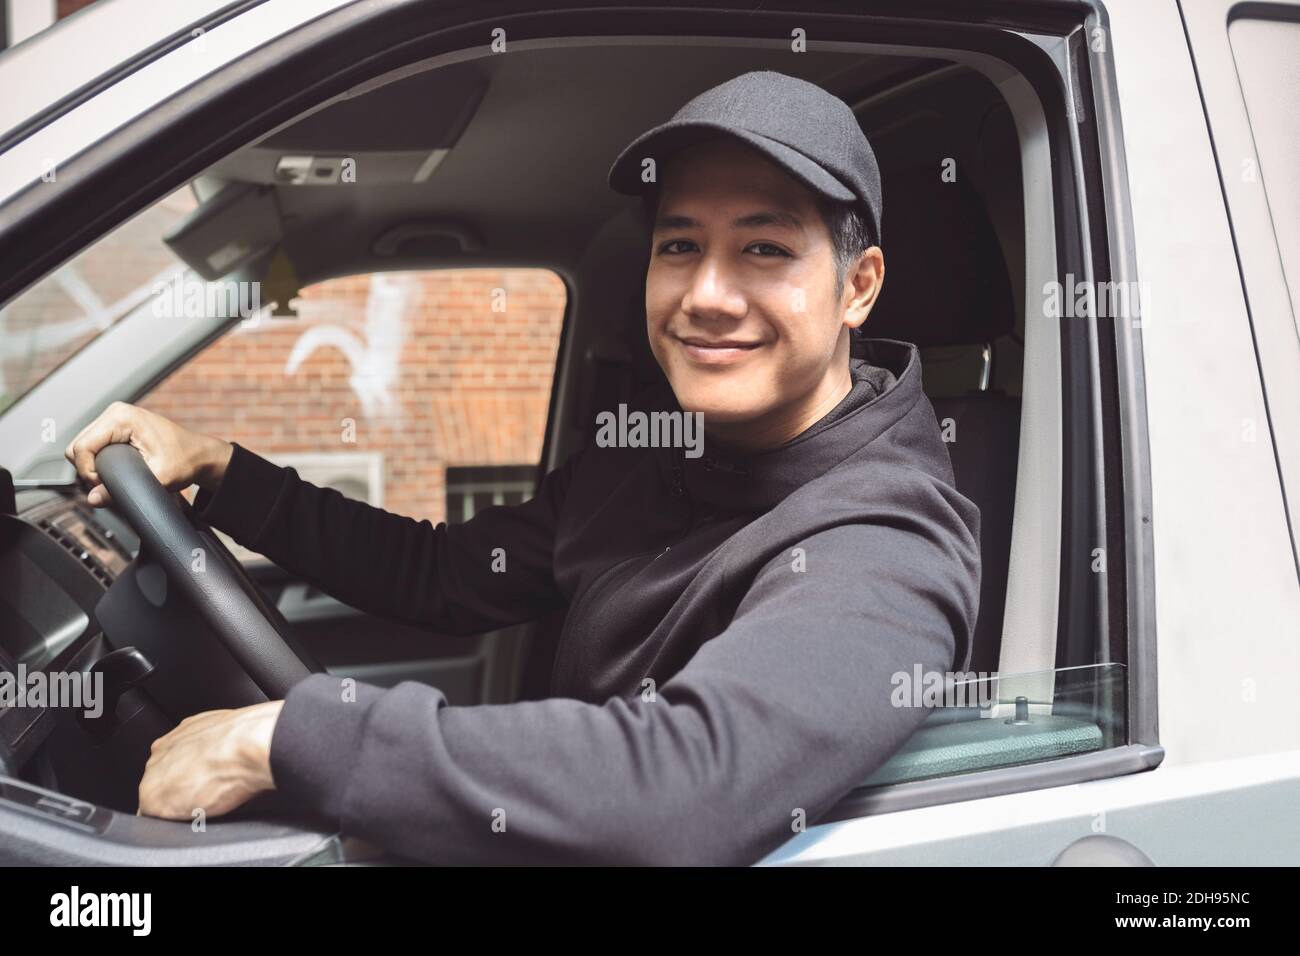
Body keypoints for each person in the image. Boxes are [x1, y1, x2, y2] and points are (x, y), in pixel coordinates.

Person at [66, 70, 980, 865]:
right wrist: (227, 473)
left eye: (766, 249)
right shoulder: (655, 454)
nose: (707, 294)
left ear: (857, 285)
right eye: (680, 245)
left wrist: (282, 741)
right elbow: (445, 574)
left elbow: (683, 792)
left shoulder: (887, 537)